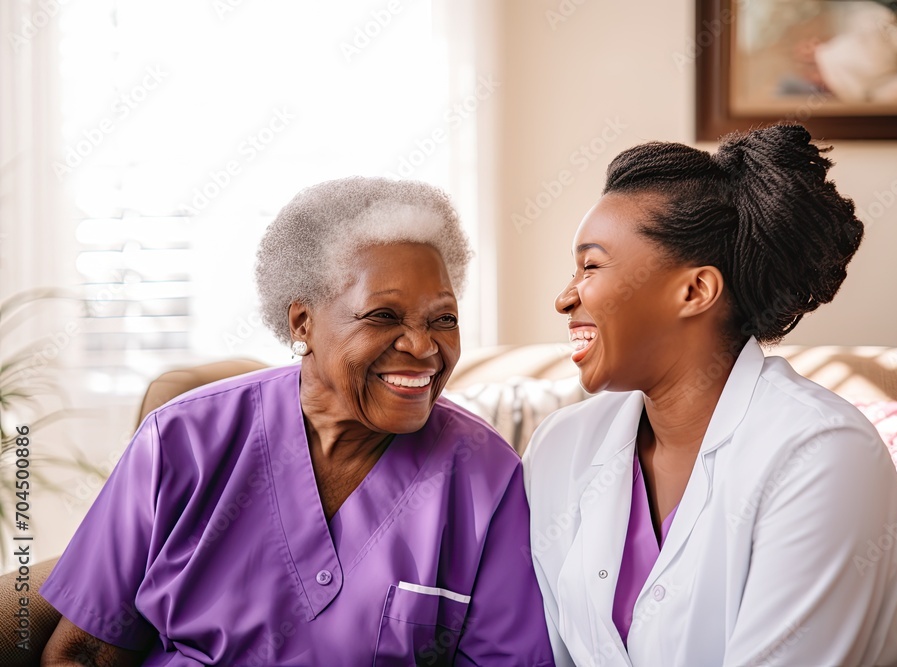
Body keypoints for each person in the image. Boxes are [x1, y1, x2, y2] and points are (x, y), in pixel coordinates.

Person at [40, 177, 555, 666]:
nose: (422, 347)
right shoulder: (180, 441)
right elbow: (82, 653)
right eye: (383, 316)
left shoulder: (486, 475)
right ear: (302, 323)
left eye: (442, 319)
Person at [523, 124, 897, 666]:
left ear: (695, 291)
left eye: (591, 266)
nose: (564, 298)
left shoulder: (822, 455)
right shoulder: (561, 447)